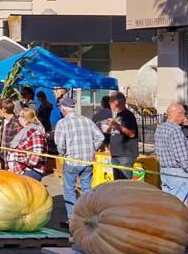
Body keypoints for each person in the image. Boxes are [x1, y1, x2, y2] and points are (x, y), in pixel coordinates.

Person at [53, 94, 102, 222]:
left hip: (71, 161)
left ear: (63, 110)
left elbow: (60, 143)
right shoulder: (86, 120)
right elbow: (100, 137)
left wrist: (62, 153)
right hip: (87, 161)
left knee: (69, 189)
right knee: (87, 189)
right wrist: (92, 149)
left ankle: (73, 218)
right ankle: (89, 216)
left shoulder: (62, 123)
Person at [154, 102, 188, 203]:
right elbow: (181, 157)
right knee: (179, 205)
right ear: (178, 114)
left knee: (168, 203)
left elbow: (157, 150)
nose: (184, 116)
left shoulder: (160, 128)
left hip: (164, 170)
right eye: (183, 114)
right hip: (177, 172)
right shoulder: (175, 131)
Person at [105, 92, 139, 180]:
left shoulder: (128, 115)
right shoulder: (118, 115)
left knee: (124, 184)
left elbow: (132, 133)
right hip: (116, 154)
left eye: (111, 101)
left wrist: (116, 125)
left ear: (117, 102)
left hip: (125, 155)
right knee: (117, 184)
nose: (109, 103)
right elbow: (117, 131)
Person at [8, 107, 48, 181]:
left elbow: (36, 155)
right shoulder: (25, 130)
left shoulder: (35, 132)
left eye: (19, 116)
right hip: (22, 171)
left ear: (25, 119)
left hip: (30, 172)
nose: (18, 118)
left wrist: (26, 168)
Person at [0, 99, 22, 168]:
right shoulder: (4, 121)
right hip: (3, 154)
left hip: (11, 158)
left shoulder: (16, 123)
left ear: (4, 110)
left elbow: (17, 144)